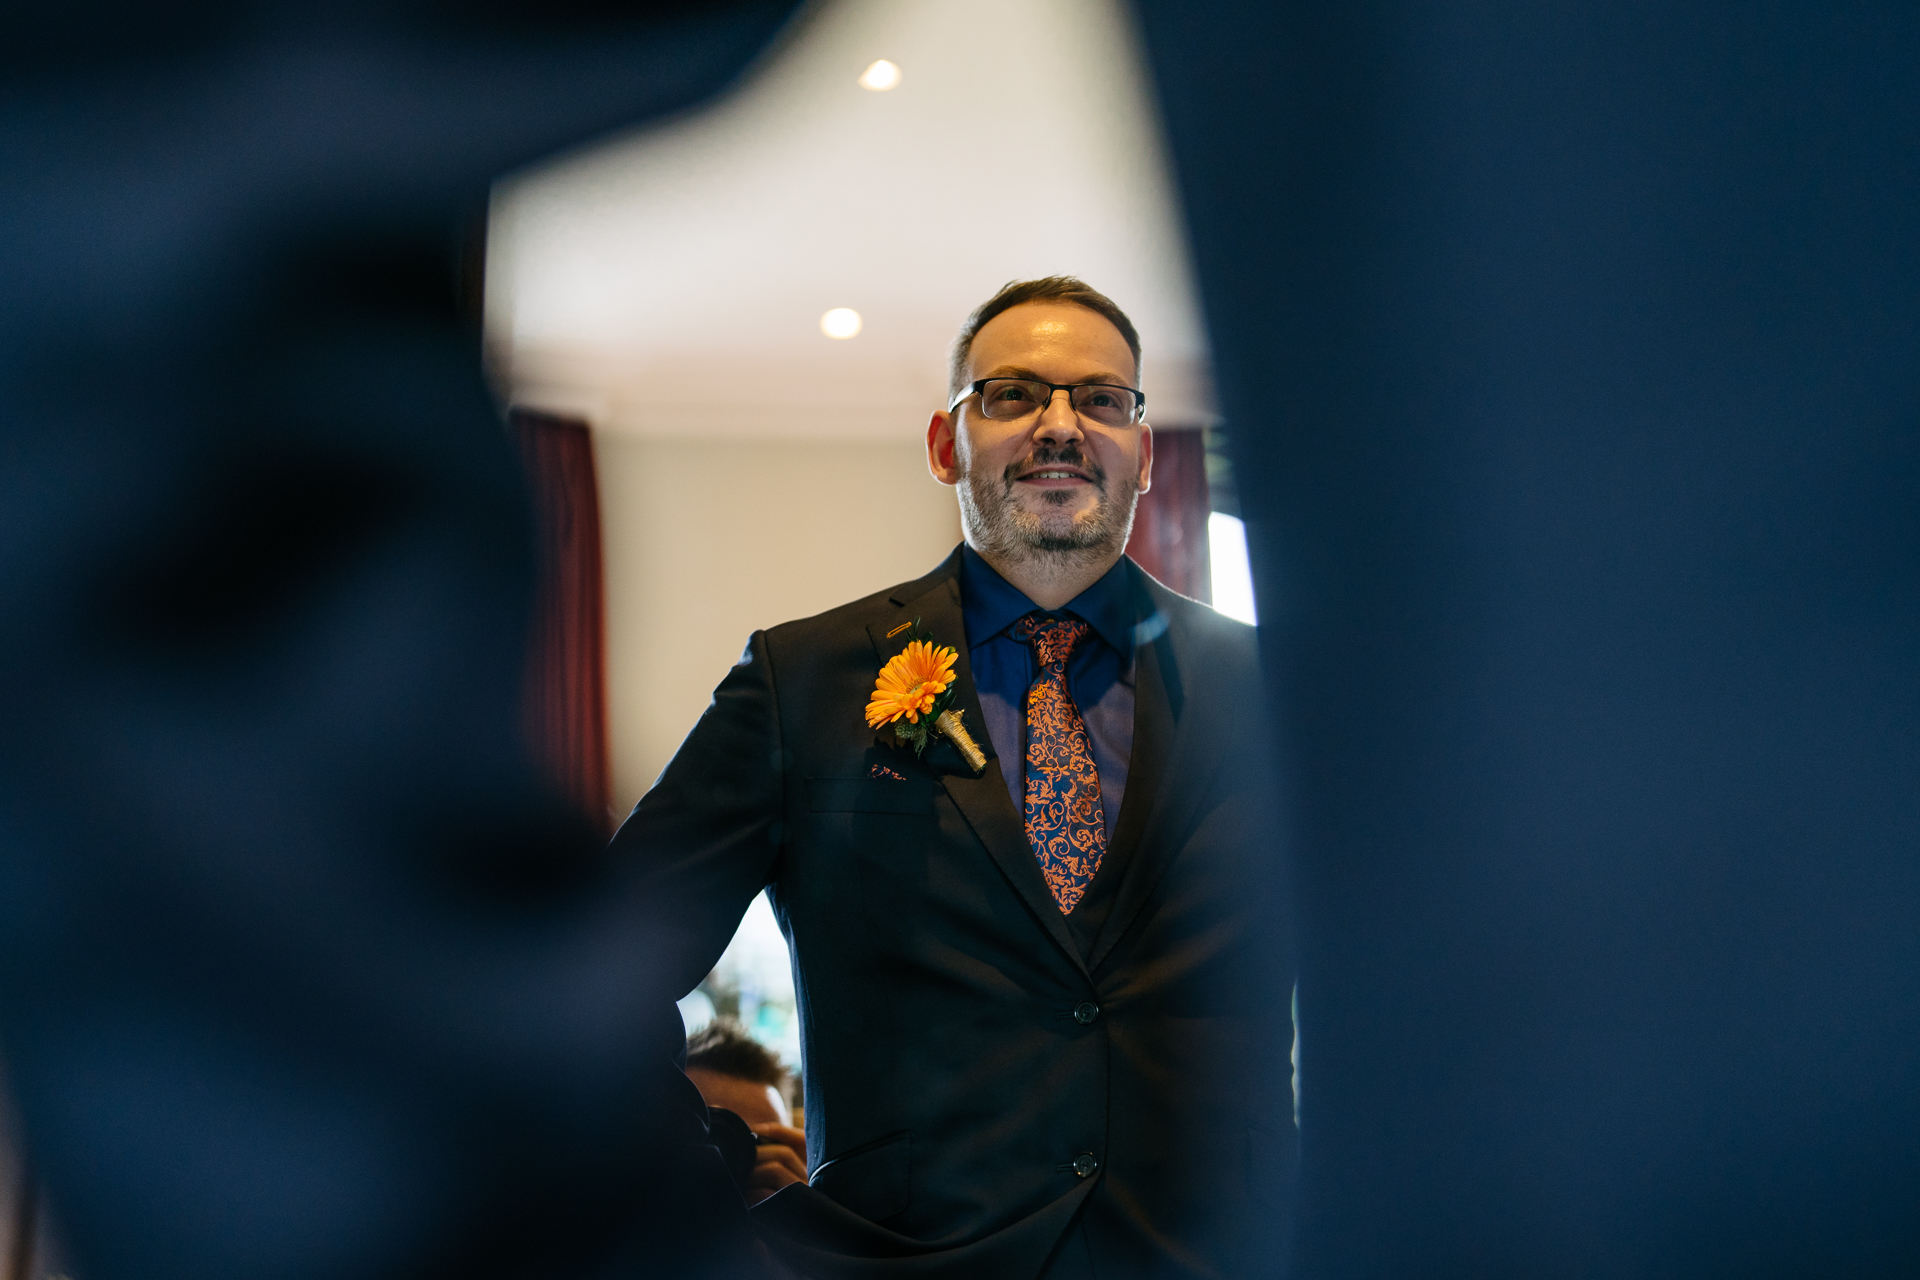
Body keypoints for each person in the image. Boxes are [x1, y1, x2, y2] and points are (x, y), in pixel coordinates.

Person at [613, 276, 1293, 1278]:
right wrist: (704, 1183)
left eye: (1102, 399)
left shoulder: (1276, 690)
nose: (1061, 424)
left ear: (1146, 455)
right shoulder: (802, 680)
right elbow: (595, 966)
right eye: (1013, 394)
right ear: (947, 444)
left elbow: (1416, 969)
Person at [685, 1021, 809, 1205]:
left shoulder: (791, 1219)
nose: (725, 1161)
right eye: (714, 1136)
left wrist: (814, 1214)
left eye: (755, 1142)